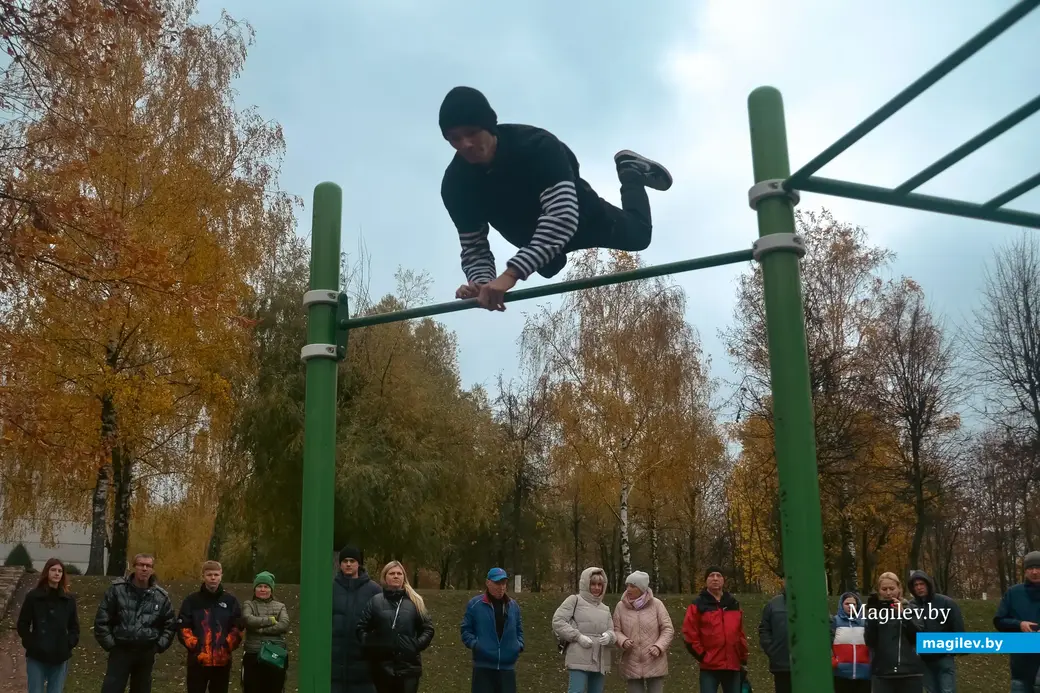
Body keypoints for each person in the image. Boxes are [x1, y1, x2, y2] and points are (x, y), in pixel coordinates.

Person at [438, 85, 673, 312]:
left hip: (581, 216)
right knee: (549, 266)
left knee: (640, 236)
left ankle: (630, 172)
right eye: (454, 139)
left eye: (471, 133)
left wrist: (510, 275)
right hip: (529, 235)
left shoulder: (537, 146)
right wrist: (481, 284)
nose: (465, 145)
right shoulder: (455, 185)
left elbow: (562, 217)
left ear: (489, 126)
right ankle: (547, 255)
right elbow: (474, 246)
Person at [94, 553, 177, 693]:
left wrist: (157, 646)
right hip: (120, 650)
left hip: (145, 653)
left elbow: (170, 625)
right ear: (134, 567)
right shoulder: (117, 590)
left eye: (148, 566)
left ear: (152, 569)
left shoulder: (161, 597)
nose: (144, 569)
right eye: (141, 565)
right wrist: (111, 645)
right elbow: (102, 620)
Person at [357, 561, 435, 693]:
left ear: (404, 577)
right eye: (392, 573)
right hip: (382, 667)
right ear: (385, 577)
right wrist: (373, 644)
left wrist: (415, 645)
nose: (396, 576)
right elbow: (361, 628)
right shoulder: (375, 601)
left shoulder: (415, 601)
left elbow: (428, 628)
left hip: (409, 668)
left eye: (399, 573)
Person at [176, 560, 244, 693]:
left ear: (221, 576)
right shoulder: (192, 601)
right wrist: (197, 647)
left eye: (216, 575)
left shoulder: (230, 601)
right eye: (209, 575)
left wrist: (227, 645)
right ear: (203, 576)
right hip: (198, 662)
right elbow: (183, 627)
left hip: (222, 662)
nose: (213, 578)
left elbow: (238, 626)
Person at [16, 557, 80, 693]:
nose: (57, 573)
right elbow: (23, 624)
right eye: (53, 570)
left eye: (60, 571)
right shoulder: (33, 597)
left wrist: (69, 643)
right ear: (47, 572)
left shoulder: (68, 600)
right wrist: (30, 642)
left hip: (60, 654)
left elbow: (74, 627)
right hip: (37, 654)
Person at [681, 566, 748, 693]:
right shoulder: (698, 604)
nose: (715, 579)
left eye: (719, 576)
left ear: (723, 580)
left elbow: (740, 633)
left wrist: (743, 656)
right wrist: (702, 655)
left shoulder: (733, 603)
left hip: (732, 664)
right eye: (711, 576)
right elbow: (689, 634)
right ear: (706, 580)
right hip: (709, 666)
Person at [551, 566, 616, 693]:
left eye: (600, 584)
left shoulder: (605, 608)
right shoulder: (574, 600)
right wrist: (578, 637)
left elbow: (612, 631)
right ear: (585, 583)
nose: (597, 588)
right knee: (577, 690)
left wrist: (609, 636)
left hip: (600, 658)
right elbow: (558, 621)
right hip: (578, 656)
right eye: (593, 584)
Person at [460, 567, 524, 693]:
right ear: (488, 582)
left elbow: (519, 630)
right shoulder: (475, 604)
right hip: (483, 668)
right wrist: (476, 645)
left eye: (503, 583)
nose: (501, 587)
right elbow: (466, 630)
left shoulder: (513, 606)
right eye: (497, 583)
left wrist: (519, 645)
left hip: (507, 668)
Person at [612, 570, 674, 693]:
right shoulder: (620, 606)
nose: (628, 589)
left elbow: (668, 629)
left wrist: (659, 646)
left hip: (654, 661)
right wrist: (623, 641)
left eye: (633, 586)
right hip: (632, 661)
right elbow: (615, 630)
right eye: (627, 585)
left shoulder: (657, 605)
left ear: (642, 588)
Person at [863, 572, 925, 693]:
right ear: (878, 591)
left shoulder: (912, 609)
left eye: (892, 588)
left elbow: (918, 637)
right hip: (882, 672)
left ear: (899, 589)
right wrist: (871, 616)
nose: (888, 593)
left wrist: (903, 615)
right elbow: (870, 641)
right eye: (884, 589)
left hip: (910, 672)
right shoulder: (876, 611)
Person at [332, 545, 382, 693]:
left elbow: (381, 622)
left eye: (352, 561)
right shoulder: (330, 588)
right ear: (340, 564)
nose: (348, 564)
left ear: (358, 563)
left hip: (363, 663)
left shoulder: (374, 590)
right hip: (335, 662)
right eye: (345, 561)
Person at [907, 569, 963, 693]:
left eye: (922, 584)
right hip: (924, 658)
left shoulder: (946, 602)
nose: (919, 588)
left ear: (928, 585)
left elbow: (957, 626)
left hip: (944, 656)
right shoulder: (911, 606)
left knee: (947, 690)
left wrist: (955, 649)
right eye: (916, 585)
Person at [993, 550, 1040, 693]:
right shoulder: (1013, 593)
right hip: (1020, 666)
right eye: (1030, 568)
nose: (1034, 572)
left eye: (1038, 568)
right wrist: (1019, 625)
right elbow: (999, 621)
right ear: (1025, 571)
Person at [241, 570, 291, 693]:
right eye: (259, 586)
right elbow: (248, 620)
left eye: (266, 586)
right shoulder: (249, 605)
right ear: (254, 589)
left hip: (275, 655)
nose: (263, 589)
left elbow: (284, 624)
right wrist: (271, 620)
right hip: (253, 654)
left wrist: (261, 629)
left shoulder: (280, 606)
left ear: (271, 589)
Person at [830, 591, 871, 693]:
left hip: (864, 674)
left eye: (853, 604)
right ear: (841, 605)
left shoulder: (865, 622)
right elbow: (827, 643)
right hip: (841, 674)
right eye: (847, 604)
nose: (850, 606)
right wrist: (833, 660)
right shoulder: (835, 622)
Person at [758, 576, 790, 693]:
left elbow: (828, 627)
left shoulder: (812, 603)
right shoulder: (773, 605)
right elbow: (764, 630)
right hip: (782, 665)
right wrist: (773, 650)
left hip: (807, 666)